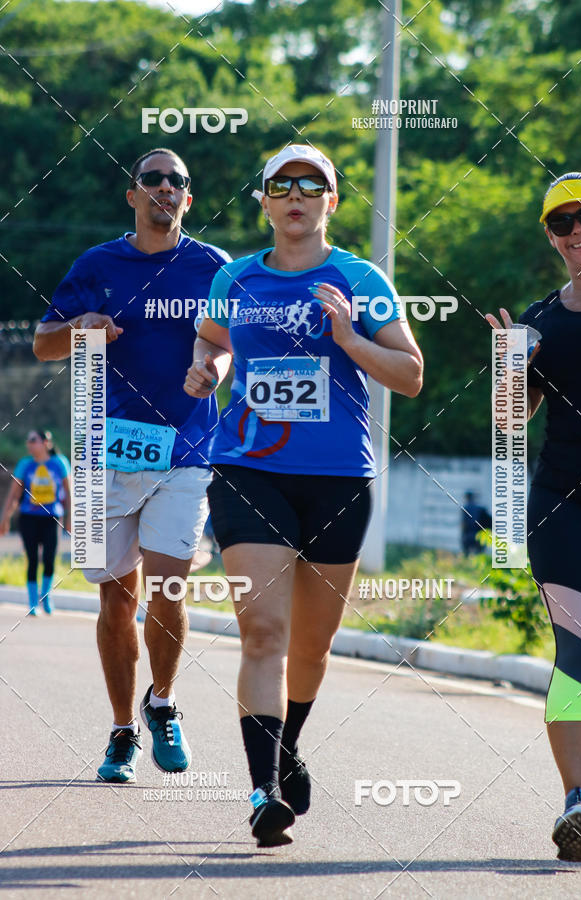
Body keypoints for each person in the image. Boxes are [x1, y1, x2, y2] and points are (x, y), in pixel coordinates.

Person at [184, 144, 423, 846]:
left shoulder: (359, 278)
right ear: (263, 201)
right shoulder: (234, 278)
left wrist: (348, 335)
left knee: (312, 649)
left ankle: (288, 747)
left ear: (331, 202)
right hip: (247, 469)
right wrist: (207, 369)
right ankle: (262, 791)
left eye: (310, 184)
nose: (295, 194)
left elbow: (409, 375)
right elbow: (212, 343)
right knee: (264, 633)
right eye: (281, 185)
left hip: (338, 480)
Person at [33, 148, 231, 783]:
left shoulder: (212, 266)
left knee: (170, 586)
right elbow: (43, 343)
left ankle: (164, 705)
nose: (165, 189)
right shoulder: (97, 264)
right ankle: (122, 730)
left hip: (186, 448)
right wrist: (81, 324)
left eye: (178, 181)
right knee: (116, 598)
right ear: (133, 194)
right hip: (103, 452)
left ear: (188, 200)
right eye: (153, 179)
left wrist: (212, 369)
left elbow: (230, 344)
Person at [486, 172, 581, 862]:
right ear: (550, 237)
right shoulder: (541, 322)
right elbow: (507, 424)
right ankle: (578, 799)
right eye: (564, 223)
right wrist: (509, 367)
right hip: (565, 502)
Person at [0, 429, 70, 615]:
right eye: (28, 440)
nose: (29, 444)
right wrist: (5, 518)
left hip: (52, 518)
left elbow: (69, 493)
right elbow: (14, 494)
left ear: (46, 443)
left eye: (33, 440)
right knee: (32, 559)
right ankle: (33, 602)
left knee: (49, 559)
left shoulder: (59, 463)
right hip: (29, 518)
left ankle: (45, 596)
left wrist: (71, 518)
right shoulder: (25, 465)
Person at [461, 491, 492, 555]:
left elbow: (464, 525)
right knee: (480, 555)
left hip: (468, 537)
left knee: (468, 555)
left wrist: (463, 537)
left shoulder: (465, 508)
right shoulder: (481, 509)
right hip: (480, 536)